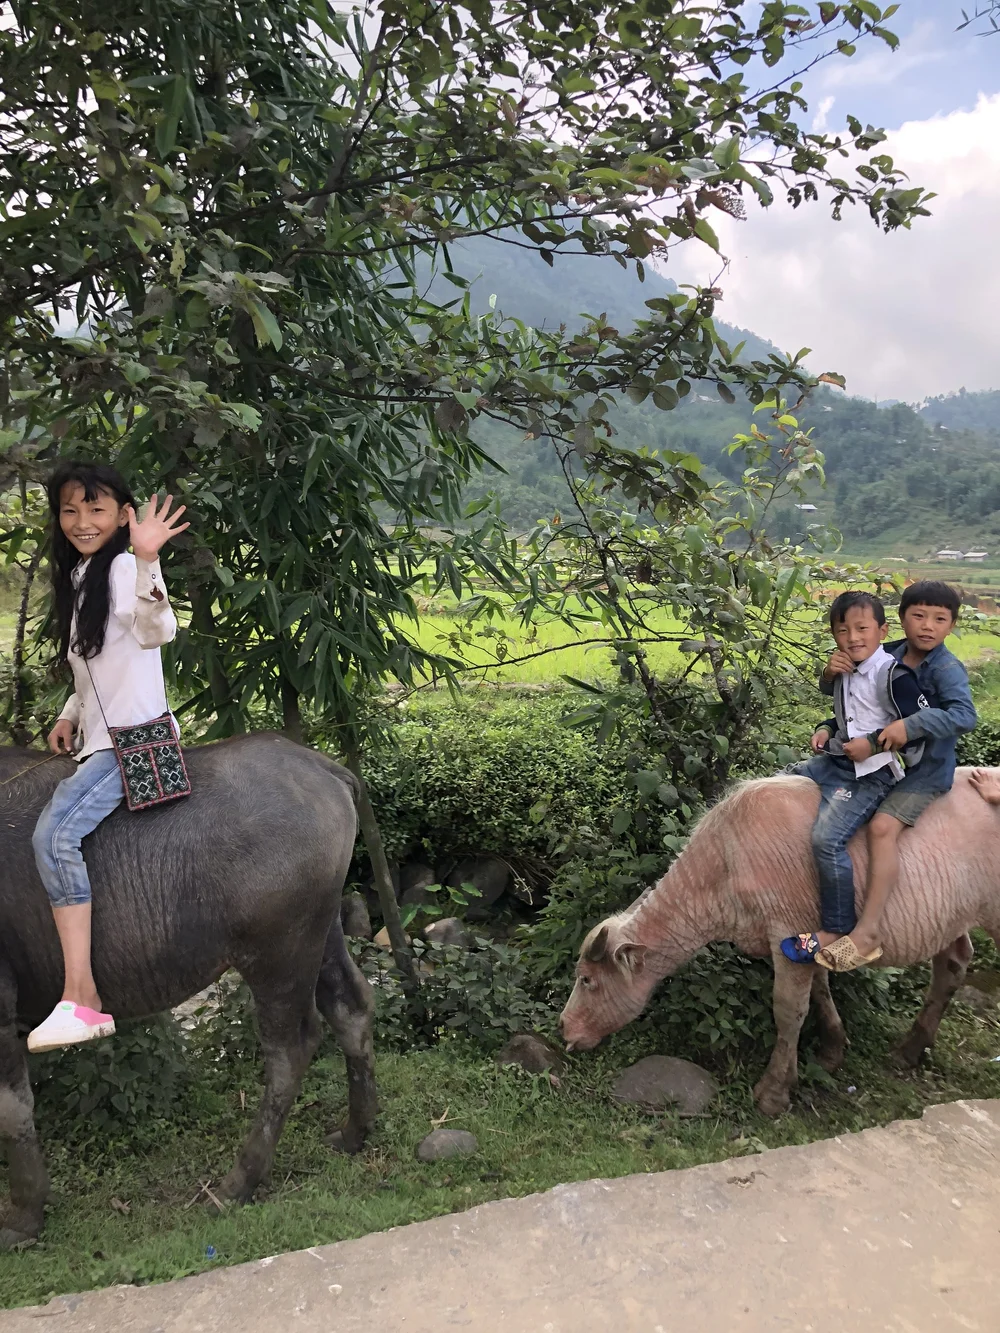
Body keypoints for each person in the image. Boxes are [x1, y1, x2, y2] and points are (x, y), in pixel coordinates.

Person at [26, 461, 189, 1053]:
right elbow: (95, 665)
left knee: (53, 837)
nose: (81, 522)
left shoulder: (123, 568)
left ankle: (83, 997)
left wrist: (148, 558)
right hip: (101, 735)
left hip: (133, 743)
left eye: (95, 510)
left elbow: (155, 630)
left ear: (122, 516)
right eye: (70, 510)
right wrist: (71, 712)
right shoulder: (84, 575)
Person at [784, 581, 977, 972]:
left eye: (940, 619)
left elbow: (965, 715)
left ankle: (867, 931)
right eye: (918, 616)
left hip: (922, 772)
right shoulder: (885, 653)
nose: (927, 626)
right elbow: (858, 705)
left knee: (882, 828)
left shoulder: (946, 668)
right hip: (875, 758)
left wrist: (910, 726)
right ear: (899, 620)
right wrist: (828, 710)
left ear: (952, 625)